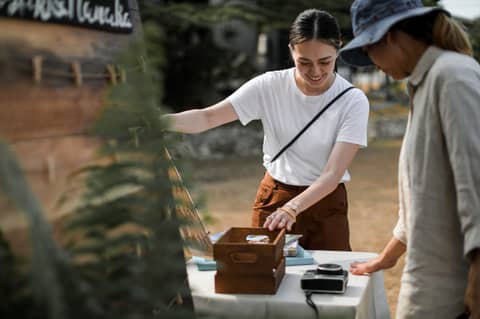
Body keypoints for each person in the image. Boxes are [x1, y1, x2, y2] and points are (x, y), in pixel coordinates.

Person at [163, 8, 369, 250]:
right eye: (304, 62)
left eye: (325, 62)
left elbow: (332, 175)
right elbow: (208, 117)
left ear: (338, 49)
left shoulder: (352, 101)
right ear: (292, 50)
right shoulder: (269, 86)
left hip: (325, 202)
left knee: (330, 280)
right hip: (275, 197)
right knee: (262, 275)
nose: (315, 72)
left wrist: (293, 207)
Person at [339, 0, 480, 318]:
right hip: (430, 285)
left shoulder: (452, 76)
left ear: (387, 37)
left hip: (454, 293)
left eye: (369, 51)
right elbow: (425, 196)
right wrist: (386, 258)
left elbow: (476, 181)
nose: (374, 65)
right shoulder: (427, 81)